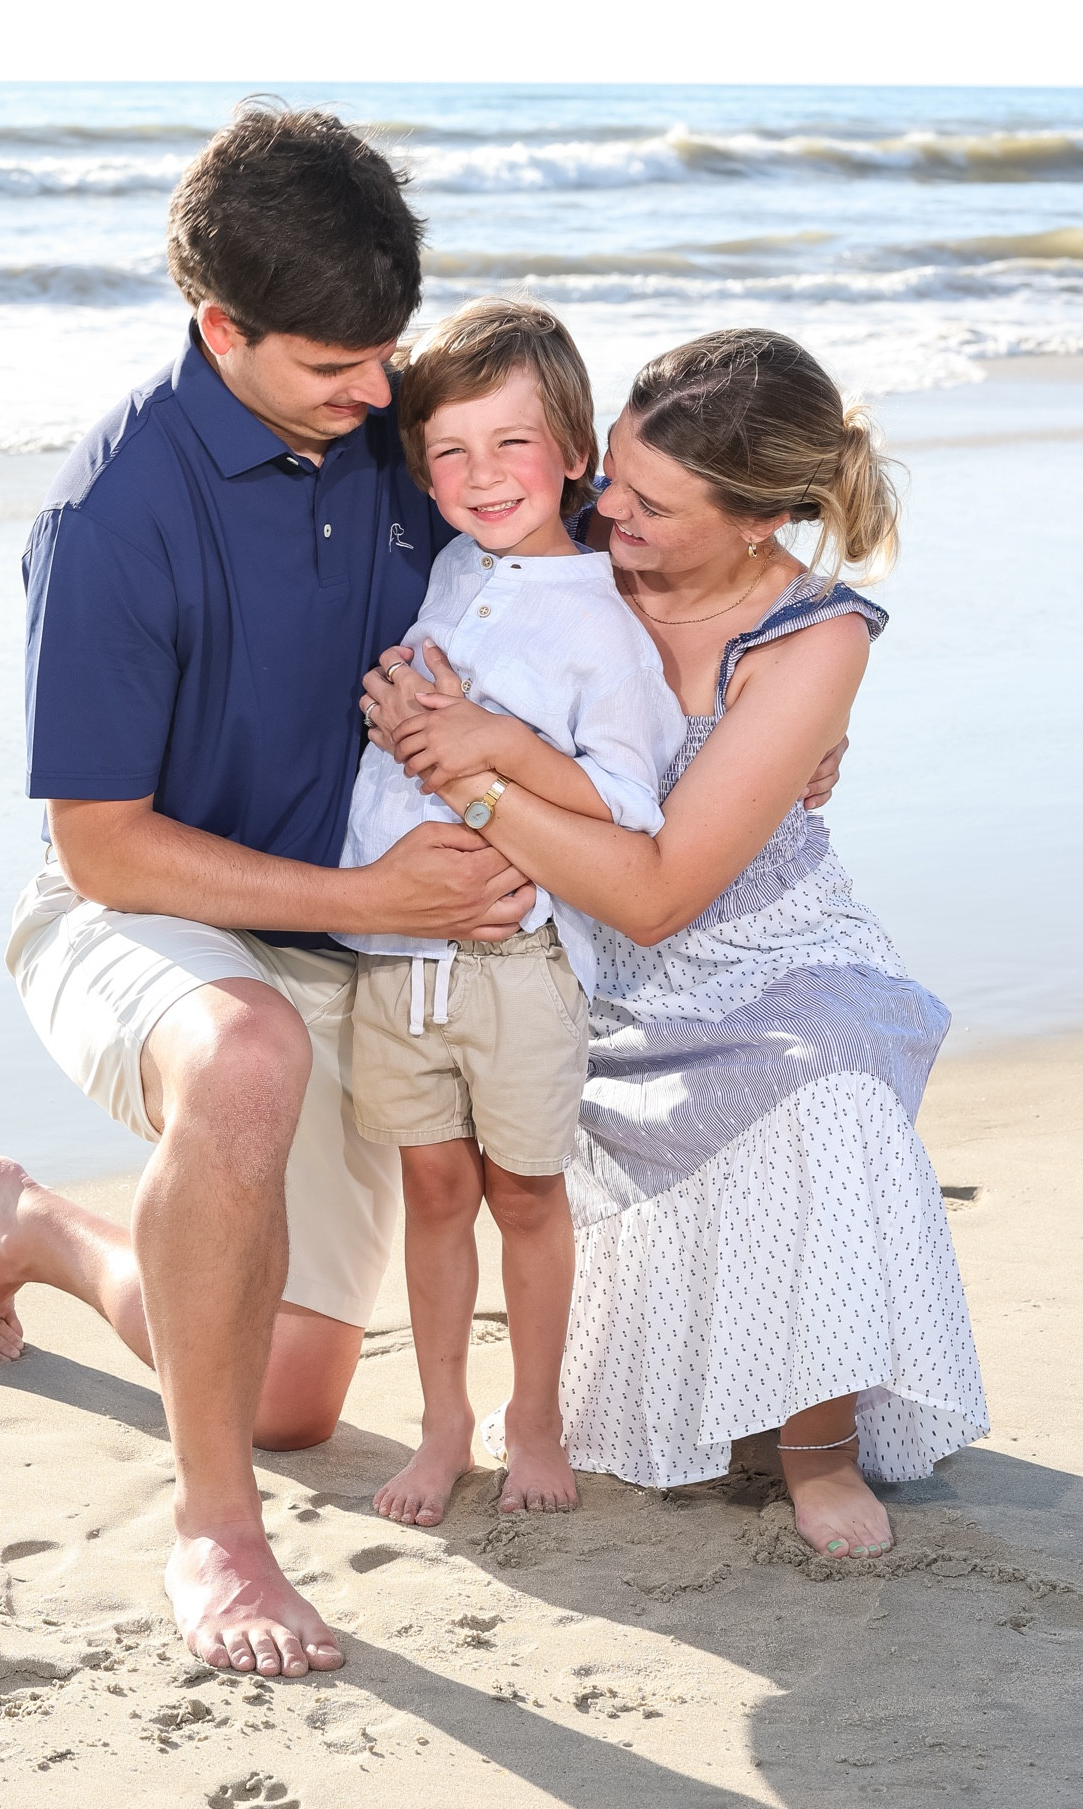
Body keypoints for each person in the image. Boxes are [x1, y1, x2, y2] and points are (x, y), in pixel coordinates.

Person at [0, 104, 544, 1681]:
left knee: (290, 1403)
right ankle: (213, 1537)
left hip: (337, 917)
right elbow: (100, 845)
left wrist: (777, 722)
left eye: (386, 353)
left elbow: (598, 562)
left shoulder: (387, 418)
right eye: (336, 365)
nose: (375, 392)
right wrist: (372, 896)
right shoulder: (111, 515)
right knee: (248, 1054)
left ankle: (36, 1231)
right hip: (132, 904)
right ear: (220, 325)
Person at [364, 328, 988, 1562]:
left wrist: (476, 771)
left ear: (759, 520)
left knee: (830, 1087)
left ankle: (817, 1447)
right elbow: (479, 421)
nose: (610, 507)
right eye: (613, 476)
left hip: (754, 941)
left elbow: (660, 896)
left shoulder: (813, 636)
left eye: (651, 502)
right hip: (566, 945)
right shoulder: (575, 542)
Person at [335, 299, 684, 1529]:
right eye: (449, 450)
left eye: (513, 445)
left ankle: (531, 1412)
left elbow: (625, 806)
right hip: (392, 955)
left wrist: (484, 747)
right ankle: (443, 1419)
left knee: (525, 1192)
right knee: (432, 1190)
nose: (481, 477)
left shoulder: (602, 623)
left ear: (577, 452)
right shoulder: (439, 569)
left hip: (516, 960)